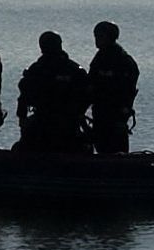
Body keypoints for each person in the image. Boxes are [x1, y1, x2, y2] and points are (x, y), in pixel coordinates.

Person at [15, 30, 90, 154]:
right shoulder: (74, 69)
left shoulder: (38, 69)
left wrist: (22, 118)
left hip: (57, 122)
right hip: (57, 122)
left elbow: (23, 97)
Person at [87, 20, 140, 156]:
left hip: (116, 115)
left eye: (100, 36)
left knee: (117, 151)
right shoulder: (99, 59)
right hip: (100, 113)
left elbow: (129, 88)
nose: (97, 40)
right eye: (96, 36)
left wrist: (124, 110)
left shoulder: (123, 60)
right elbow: (90, 84)